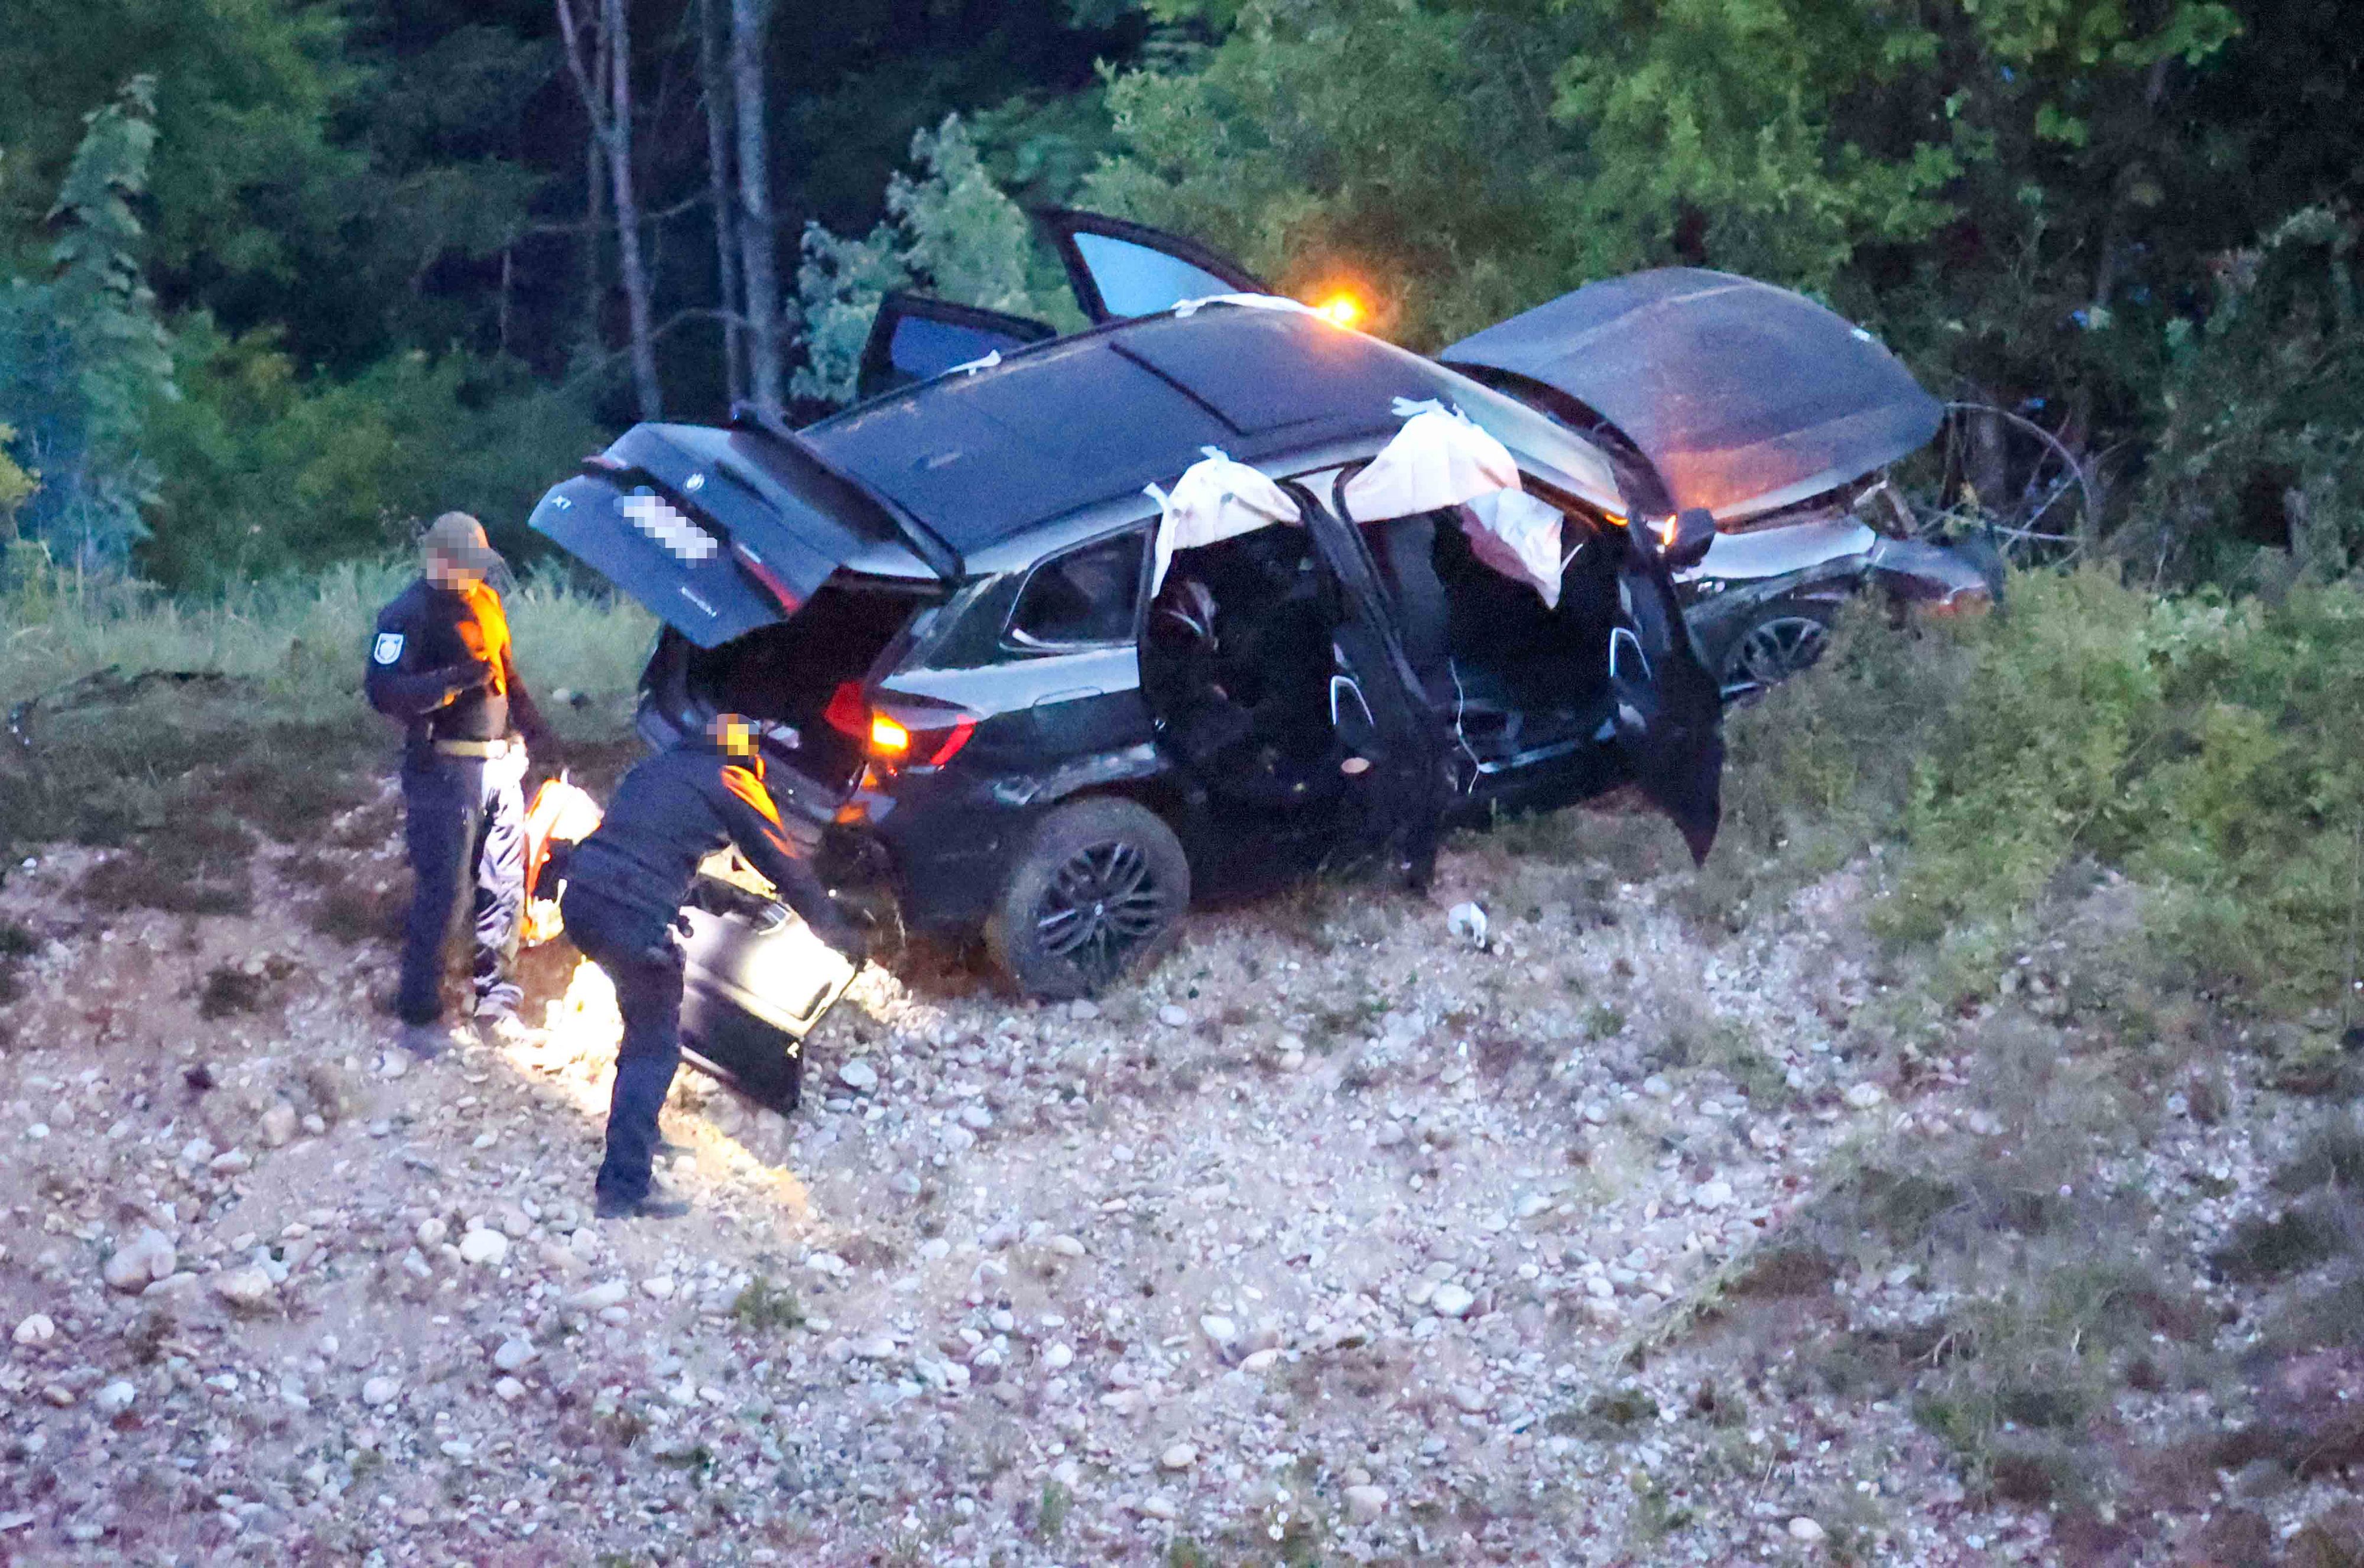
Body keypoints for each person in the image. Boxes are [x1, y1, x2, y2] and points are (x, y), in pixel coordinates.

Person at [559, 714, 866, 1220]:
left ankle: (640, 1132)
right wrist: (837, 931)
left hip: (582, 898)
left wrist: (712, 895)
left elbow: (644, 846)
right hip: (631, 918)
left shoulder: (655, 769)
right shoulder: (732, 778)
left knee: (641, 1022)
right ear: (747, 754)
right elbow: (783, 864)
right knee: (653, 1045)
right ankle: (624, 1186)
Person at [365, 512, 553, 1058]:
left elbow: (507, 675)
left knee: (505, 886)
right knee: (444, 891)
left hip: (499, 766)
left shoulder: (486, 602)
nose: (476, 574)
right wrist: (450, 683)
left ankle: (496, 1000)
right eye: (467, 564)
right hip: (443, 771)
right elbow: (383, 690)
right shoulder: (407, 614)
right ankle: (419, 1013)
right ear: (439, 560)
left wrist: (538, 734)